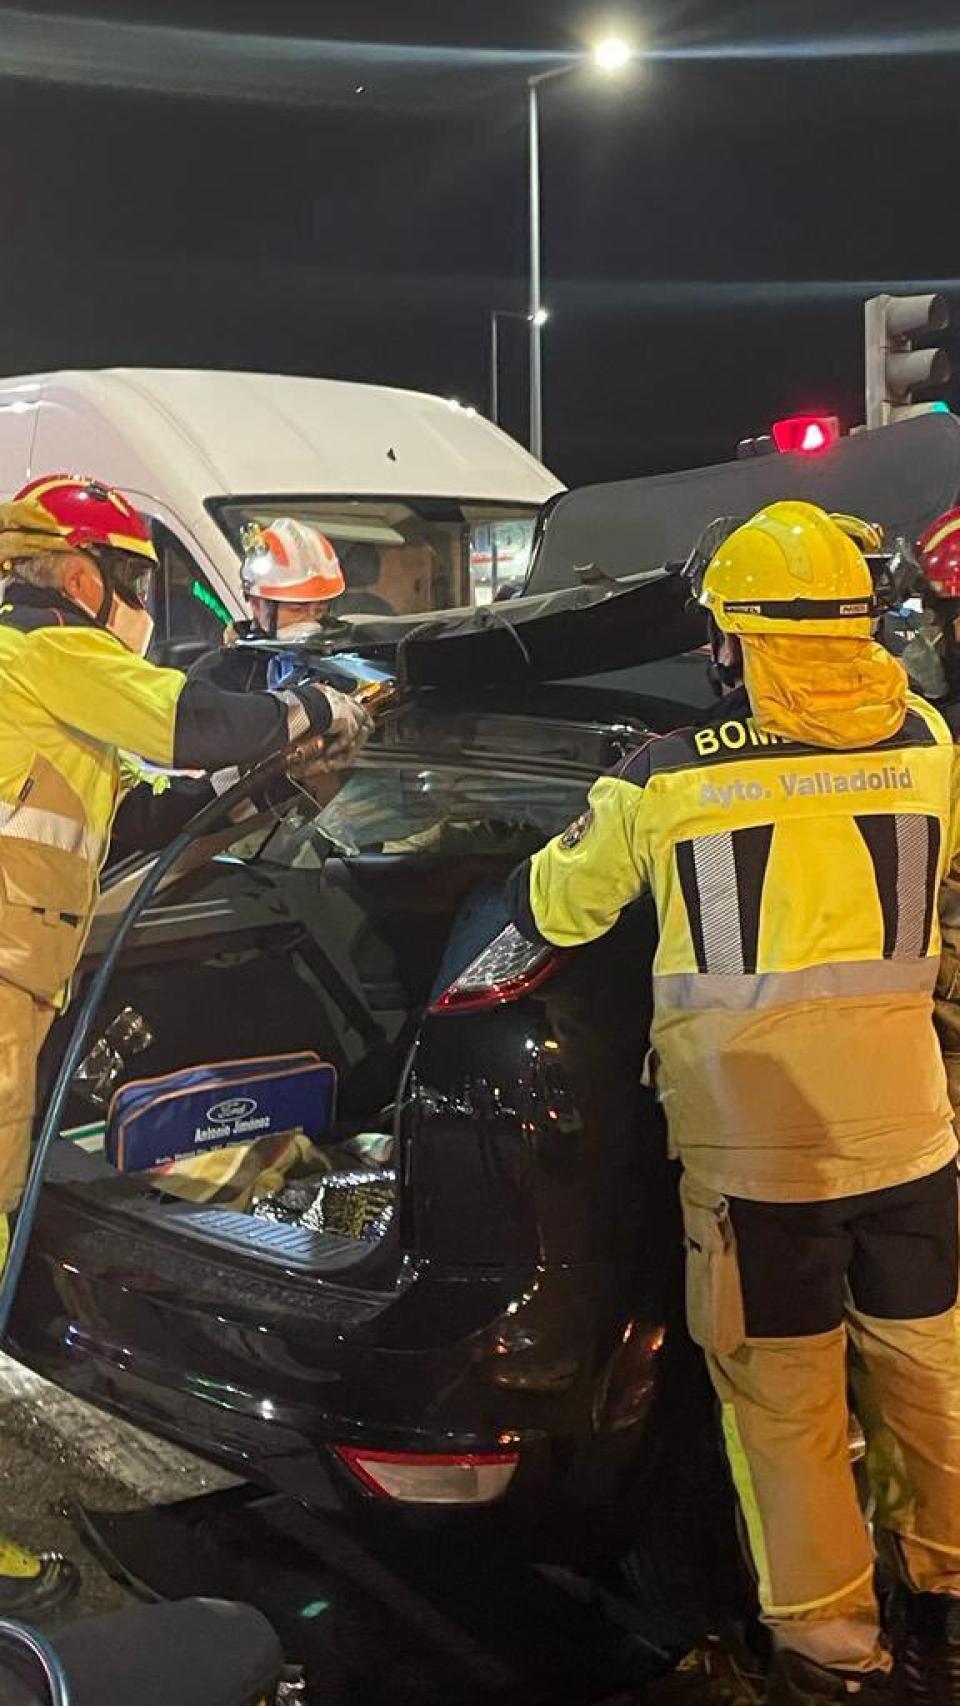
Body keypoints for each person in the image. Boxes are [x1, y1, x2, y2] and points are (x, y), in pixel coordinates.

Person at [506, 501, 960, 1706]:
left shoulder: (664, 781)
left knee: (788, 1411)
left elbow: (556, 908)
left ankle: (833, 1659)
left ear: (736, 644)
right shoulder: (929, 746)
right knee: (929, 1382)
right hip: (913, 1142)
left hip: (762, 1168)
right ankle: (948, 1616)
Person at [0, 474, 371, 1614]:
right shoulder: (42, 646)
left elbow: (132, 815)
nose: (144, 607)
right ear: (80, 574)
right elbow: (198, 721)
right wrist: (317, 709)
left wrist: (257, 793)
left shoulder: (42, 681)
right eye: (135, 582)